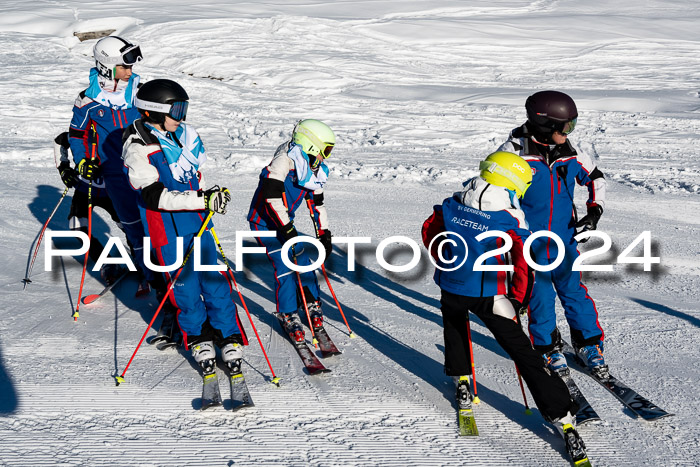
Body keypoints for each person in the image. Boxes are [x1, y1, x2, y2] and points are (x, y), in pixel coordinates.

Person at [422, 151, 580, 435]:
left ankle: (461, 378)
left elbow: (430, 230)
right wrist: (518, 299)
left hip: (450, 285)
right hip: (490, 294)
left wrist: (445, 259)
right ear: (511, 183)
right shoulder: (510, 219)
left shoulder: (452, 203)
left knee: (455, 329)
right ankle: (561, 413)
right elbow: (524, 265)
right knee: (521, 351)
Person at [122, 78, 246, 375]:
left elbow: (195, 175)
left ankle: (227, 333)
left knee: (214, 278)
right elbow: (153, 196)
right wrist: (201, 199)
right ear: (152, 112)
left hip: (197, 222)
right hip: (166, 226)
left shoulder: (183, 135)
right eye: (176, 110)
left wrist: (210, 198)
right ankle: (197, 335)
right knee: (185, 285)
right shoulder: (137, 146)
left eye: (184, 109)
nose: (182, 117)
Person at [497, 90, 608, 378]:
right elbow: (498, 196)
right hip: (530, 241)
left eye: (572, 125)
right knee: (540, 294)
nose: (569, 132)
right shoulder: (513, 155)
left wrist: (594, 210)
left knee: (573, 290)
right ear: (545, 126)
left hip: (564, 237)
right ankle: (547, 347)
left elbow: (595, 178)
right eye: (565, 127)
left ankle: (588, 344)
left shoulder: (569, 153)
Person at [68, 35, 152, 295]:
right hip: (109, 173)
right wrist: (82, 161)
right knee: (85, 224)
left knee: (141, 224)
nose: (130, 70)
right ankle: (124, 266)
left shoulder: (140, 93)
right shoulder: (88, 100)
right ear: (106, 67)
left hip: (141, 170)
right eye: (124, 66)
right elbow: (76, 134)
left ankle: (152, 272)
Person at [247, 119, 334, 342]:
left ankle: (311, 301)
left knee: (305, 259)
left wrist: (323, 233)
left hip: (286, 222)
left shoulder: (311, 167)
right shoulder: (283, 162)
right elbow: (271, 197)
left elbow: (317, 203)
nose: (326, 157)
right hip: (264, 223)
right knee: (285, 264)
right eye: (326, 150)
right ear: (311, 145)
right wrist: (287, 229)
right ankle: (287, 312)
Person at [54, 132, 124, 284]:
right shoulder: (81, 132)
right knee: (77, 226)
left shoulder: (111, 131)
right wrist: (64, 168)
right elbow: (60, 142)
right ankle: (106, 262)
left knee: (128, 225)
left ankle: (143, 259)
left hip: (112, 191)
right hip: (85, 189)